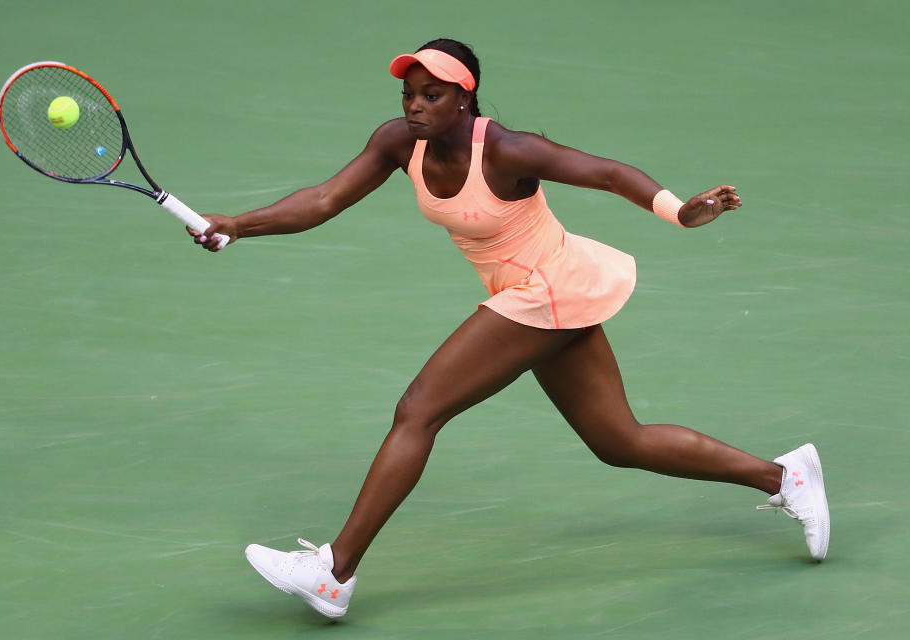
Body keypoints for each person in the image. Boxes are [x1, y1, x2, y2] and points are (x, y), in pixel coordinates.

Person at [190, 39, 830, 619]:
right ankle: (783, 478)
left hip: (545, 288)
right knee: (618, 440)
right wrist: (242, 224)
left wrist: (678, 211)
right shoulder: (397, 142)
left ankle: (334, 571)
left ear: (464, 97)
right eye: (409, 94)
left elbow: (605, 172)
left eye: (431, 95)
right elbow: (325, 199)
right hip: (540, 292)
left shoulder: (506, 150)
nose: (415, 106)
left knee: (419, 409)